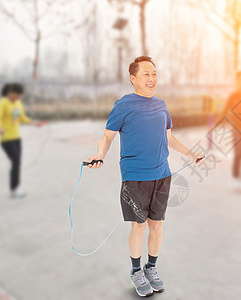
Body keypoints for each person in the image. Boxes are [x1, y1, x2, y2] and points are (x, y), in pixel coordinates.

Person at [86, 56, 204, 297]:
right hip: (135, 177)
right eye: (146, 75)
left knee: (157, 225)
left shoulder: (161, 105)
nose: (152, 79)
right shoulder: (123, 105)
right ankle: (136, 271)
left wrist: (191, 153)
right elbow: (108, 136)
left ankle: (151, 268)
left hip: (162, 175)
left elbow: (169, 138)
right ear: (133, 79)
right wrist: (100, 154)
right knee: (139, 226)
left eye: (154, 74)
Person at [0, 83, 46, 198]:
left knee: (17, 162)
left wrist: (34, 123)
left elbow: (22, 117)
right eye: (17, 95)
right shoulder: (3, 103)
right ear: (11, 92)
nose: (18, 97)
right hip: (6, 138)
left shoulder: (18, 103)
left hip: (16, 137)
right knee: (15, 161)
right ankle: (14, 188)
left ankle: (16, 188)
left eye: (20, 96)